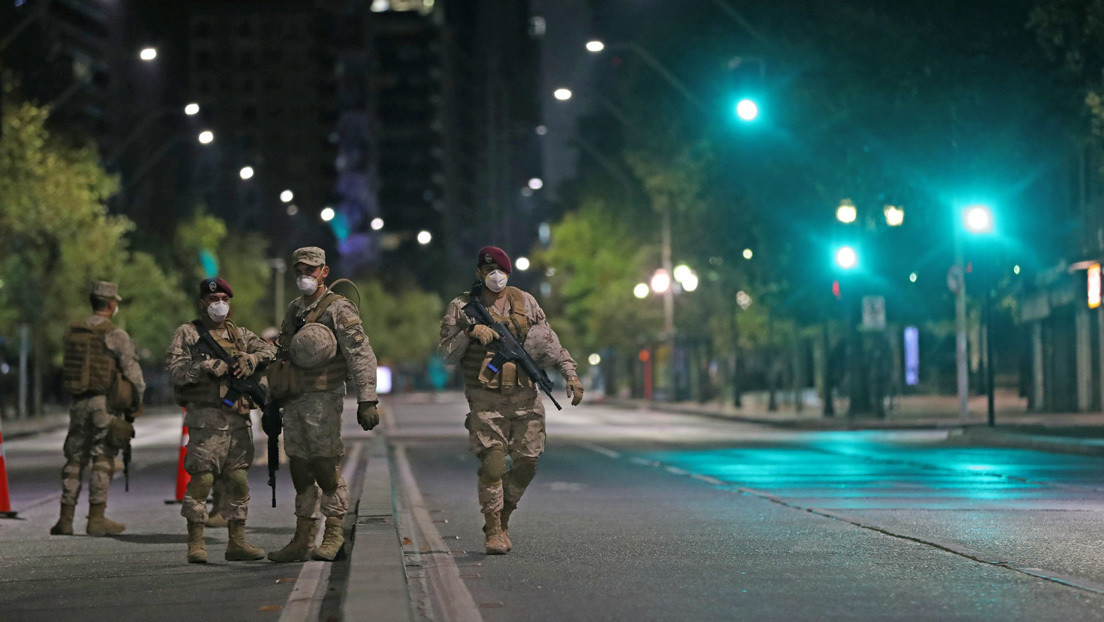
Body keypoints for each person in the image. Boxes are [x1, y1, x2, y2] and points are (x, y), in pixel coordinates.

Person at [438, 246, 584, 555]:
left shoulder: (525, 303)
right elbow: (446, 355)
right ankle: (492, 528)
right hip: (485, 399)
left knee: (527, 464)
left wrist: (570, 374)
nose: (495, 276)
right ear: (480, 273)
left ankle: (504, 515)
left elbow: (550, 343)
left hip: (525, 397)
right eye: (489, 271)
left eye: (501, 271)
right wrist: (471, 331)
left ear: (509, 274)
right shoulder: (462, 306)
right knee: (492, 463)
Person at [266, 246, 379, 563]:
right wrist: (272, 396)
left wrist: (367, 398)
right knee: (299, 466)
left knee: (324, 463)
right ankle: (302, 538)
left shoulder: (338, 308)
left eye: (311, 270)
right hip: (295, 399)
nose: (305, 276)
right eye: (300, 271)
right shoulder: (293, 309)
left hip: (324, 397)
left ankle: (333, 532)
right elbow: (283, 355)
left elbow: (360, 353)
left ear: (324, 272)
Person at [166, 277, 276, 563]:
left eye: (225, 300)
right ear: (203, 302)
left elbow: (271, 350)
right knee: (202, 479)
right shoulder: (188, 333)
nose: (220, 305)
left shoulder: (239, 334)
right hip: (206, 420)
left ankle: (237, 542)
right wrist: (204, 366)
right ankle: (196, 544)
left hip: (238, 419)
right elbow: (176, 371)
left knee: (238, 480)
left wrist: (252, 360)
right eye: (214, 300)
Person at [50, 281, 146, 536]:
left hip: (78, 403)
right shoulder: (115, 334)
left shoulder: (73, 331)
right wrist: (136, 401)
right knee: (103, 457)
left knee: (74, 459)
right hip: (105, 403)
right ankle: (96, 518)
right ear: (112, 304)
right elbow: (133, 374)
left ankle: (65, 519)